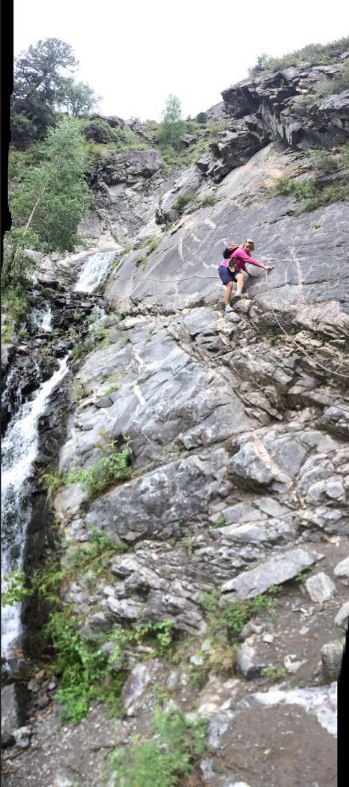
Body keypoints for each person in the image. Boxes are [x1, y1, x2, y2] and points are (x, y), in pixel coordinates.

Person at [218, 239, 274, 313]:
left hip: (234, 269)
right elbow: (250, 260)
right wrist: (264, 266)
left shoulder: (248, 253)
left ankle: (237, 294)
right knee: (230, 285)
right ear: (245, 245)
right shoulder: (240, 251)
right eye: (247, 247)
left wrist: (247, 272)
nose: (248, 249)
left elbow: (242, 264)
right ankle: (227, 307)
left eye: (249, 248)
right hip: (225, 267)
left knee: (240, 277)